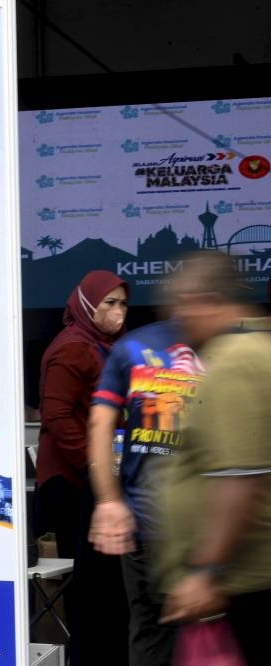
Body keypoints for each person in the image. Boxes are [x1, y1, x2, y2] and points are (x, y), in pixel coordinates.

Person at [156, 252, 271, 665]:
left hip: (246, 582)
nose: (179, 321)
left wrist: (207, 571)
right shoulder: (254, 348)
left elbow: (240, 476)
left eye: (181, 308)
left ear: (205, 300)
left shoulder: (235, 361)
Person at [87, 299, 204, 666]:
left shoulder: (132, 347)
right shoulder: (227, 346)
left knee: (150, 631)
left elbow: (99, 424)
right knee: (210, 633)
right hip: (205, 525)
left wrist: (108, 501)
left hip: (143, 517)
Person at [36, 270, 129, 666]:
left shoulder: (104, 346)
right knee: (95, 586)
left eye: (123, 303)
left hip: (97, 477)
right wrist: (94, 464)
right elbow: (57, 416)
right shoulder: (72, 348)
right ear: (88, 304)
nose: (119, 312)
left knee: (107, 583)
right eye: (109, 303)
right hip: (73, 481)